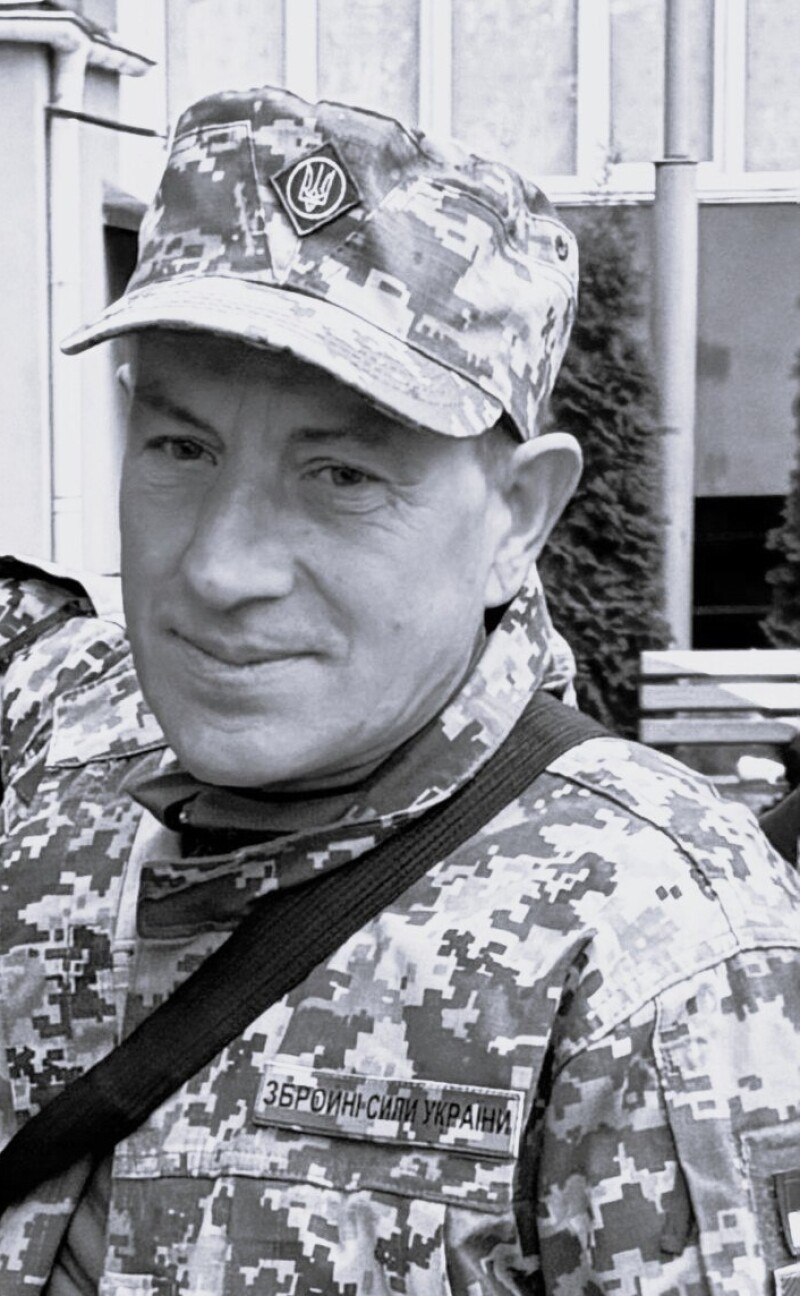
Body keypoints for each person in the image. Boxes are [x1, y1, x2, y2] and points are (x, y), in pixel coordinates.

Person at [1, 84, 799, 1296]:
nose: (218, 568)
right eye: (180, 447)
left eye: (341, 475)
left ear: (516, 517)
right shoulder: (60, 745)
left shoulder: (659, 942)